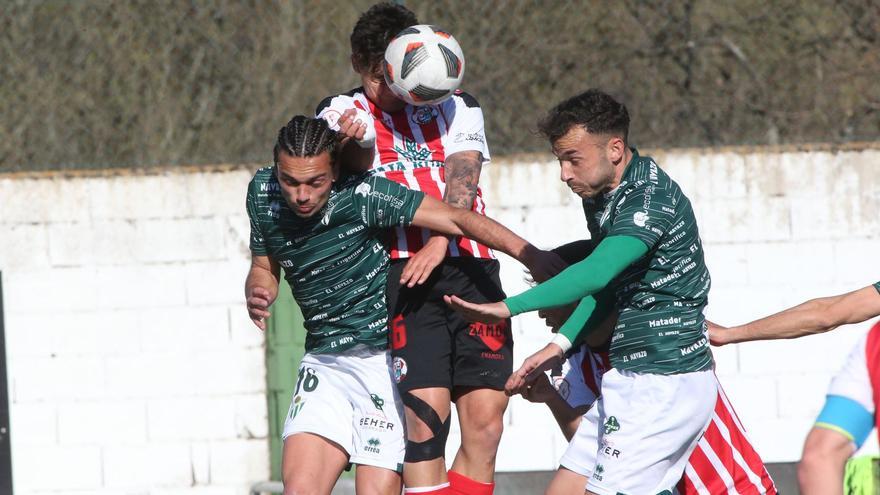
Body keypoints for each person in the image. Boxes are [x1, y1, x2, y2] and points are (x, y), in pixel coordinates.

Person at [244, 115, 562, 495]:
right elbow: (264, 264)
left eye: (315, 182)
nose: (301, 195)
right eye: (290, 181)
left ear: (335, 170)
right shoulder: (262, 193)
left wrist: (530, 255)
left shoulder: (365, 195)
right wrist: (259, 289)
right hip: (325, 363)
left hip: (382, 361)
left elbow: (458, 219)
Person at [446, 88, 724, 494]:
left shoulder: (649, 197)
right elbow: (609, 288)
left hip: (664, 380)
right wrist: (558, 344)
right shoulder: (605, 196)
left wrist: (508, 308)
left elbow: (597, 273)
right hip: (630, 376)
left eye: (572, 159)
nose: (564, 174)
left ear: (615, 149)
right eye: (560, 160)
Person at [315, 4, 514, 493]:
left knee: (486, 421)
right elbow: (343, 171)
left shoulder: (456, 102)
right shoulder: (341, 111)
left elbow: (463, 178)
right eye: (374, 80)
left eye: (386, 78)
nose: (382, 91)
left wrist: (443, 241)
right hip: (403, 274)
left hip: (472, 267)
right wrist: (351, 144)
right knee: (425, 422)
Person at [520, 241, 777, 494]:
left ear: (584, 293)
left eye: (550, 293)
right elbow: (594, 451)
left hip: (735, 488)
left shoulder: (662, 329)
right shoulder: (572, 367)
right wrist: (551, 399)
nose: (541, 311)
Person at [710, 281, 880, 494]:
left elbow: (820, 457)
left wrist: (731, 333)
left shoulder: (874, 344)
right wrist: (729, 333)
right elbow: (825, 313)